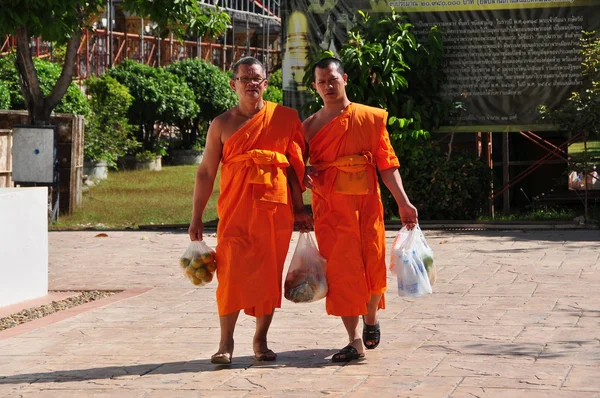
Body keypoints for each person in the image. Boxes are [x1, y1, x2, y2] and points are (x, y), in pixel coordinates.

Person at [189, 57, 312, 365]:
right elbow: (205, 172)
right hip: (235, 212)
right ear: (234, 84)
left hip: (275, 210)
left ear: (265, 84)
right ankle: (225, 342)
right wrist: (196, 217)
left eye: (257, 78)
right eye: (245, 79)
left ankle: (261, 339)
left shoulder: (284, 118)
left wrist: (300, 209)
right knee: (229, 273)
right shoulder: (222, 124)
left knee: (269, 275)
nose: (252, 84)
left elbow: (296, 170)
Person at [302, 57, 418, 362]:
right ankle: (354, 340)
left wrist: (403, 201)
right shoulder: (309, 127)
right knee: (340, 272)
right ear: (315, 86)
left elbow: (387, 164)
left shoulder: (369, 118)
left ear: (344, 78)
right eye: (321, 82)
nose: (328, 86)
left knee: (372, 264)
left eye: (332, 79)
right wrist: (302, 175)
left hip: (366, 204)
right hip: (330, 208)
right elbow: (297, 167)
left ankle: (370, 319)